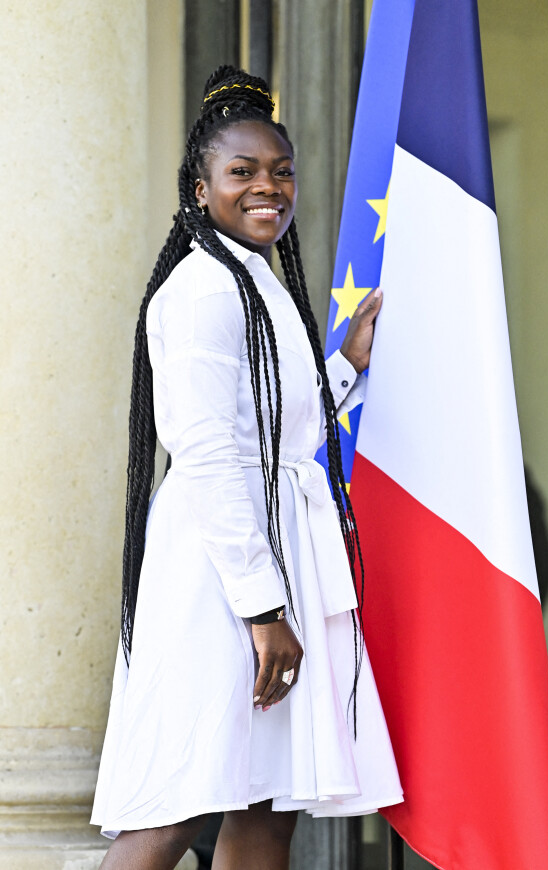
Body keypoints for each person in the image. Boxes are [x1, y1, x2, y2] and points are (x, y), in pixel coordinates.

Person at [91, 65, 402, 870]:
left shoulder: (259, 282)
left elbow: (277, 433)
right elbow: (207, 454)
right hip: (220, 574)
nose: (269, 188)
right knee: (176, 802)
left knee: (266, 808)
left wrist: (346, 366)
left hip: (274, 559)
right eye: (243, 172)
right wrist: (263, 609)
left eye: (281, 171)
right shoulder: (201, 291)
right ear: (201, 189)